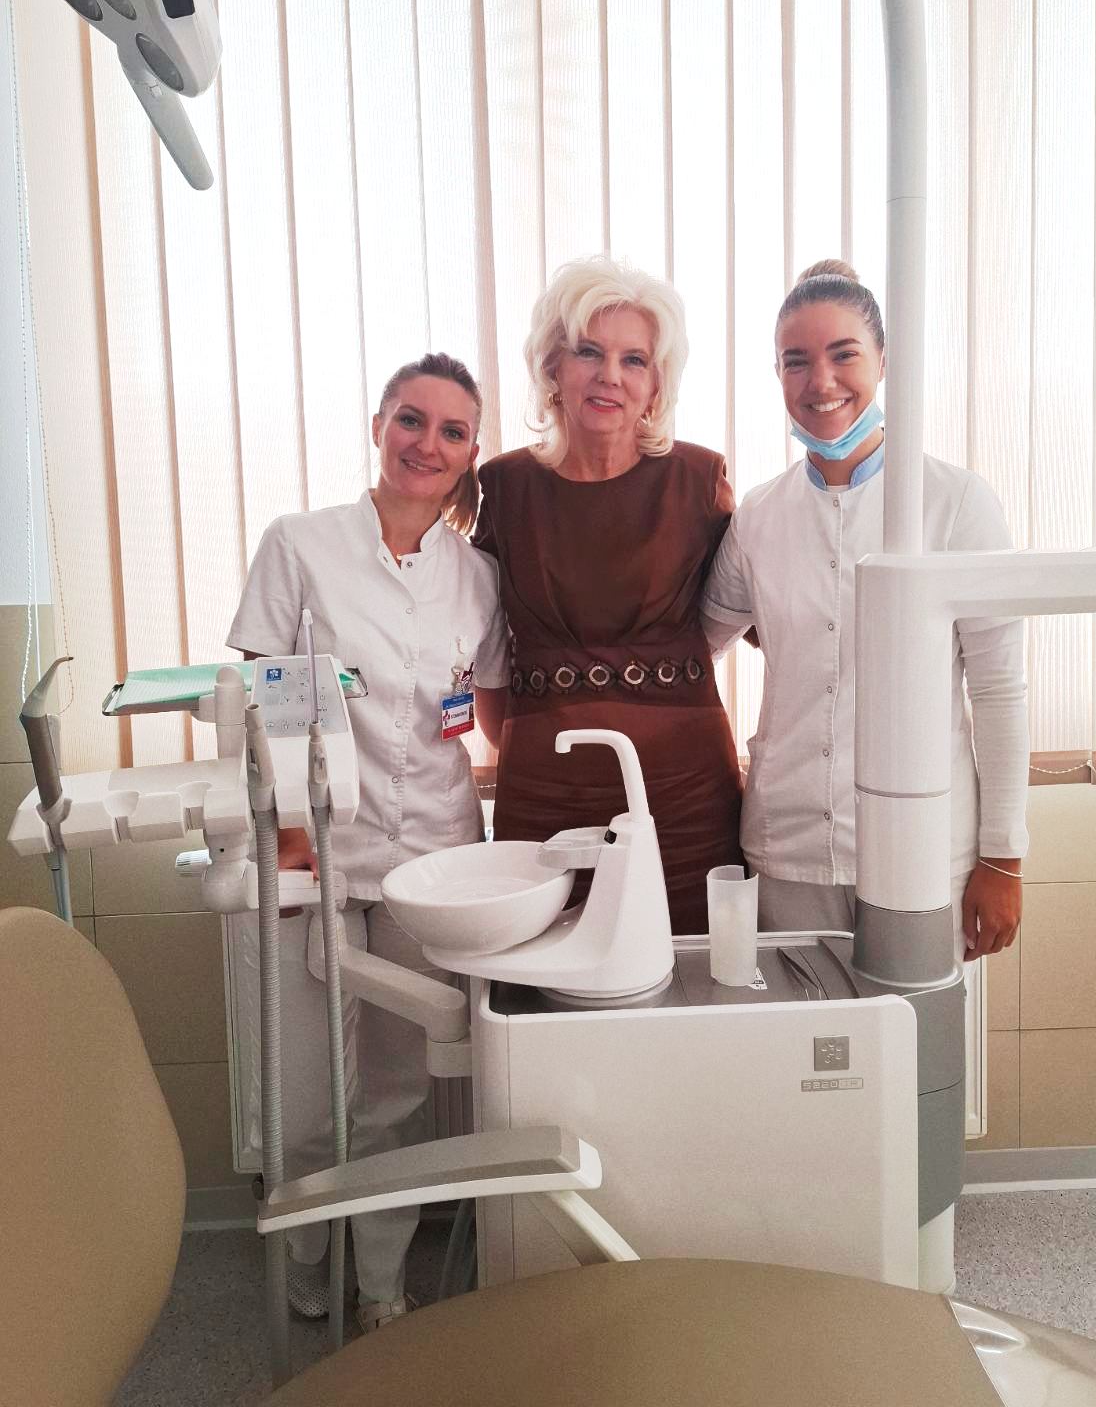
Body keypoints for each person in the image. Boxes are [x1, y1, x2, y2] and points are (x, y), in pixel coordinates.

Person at [227, 352, 510, 1333]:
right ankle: (309, 1262)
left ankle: (381, 1281)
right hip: (312, 851)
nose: (427, 443)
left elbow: (482, 714)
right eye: (410, 419)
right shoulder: (300, 546)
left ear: (470, 453)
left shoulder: (478, 578)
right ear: (379, 425)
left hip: (430, 854)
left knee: (394, 1090)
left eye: (452, 430)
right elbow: (256, 705)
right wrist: (291, 843)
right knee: (307, 1093)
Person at [701, 260, 1028, 959]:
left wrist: (1003, 857)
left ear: (883, 360)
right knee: (797, 1028)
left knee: (915, 1028)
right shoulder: (758, 516)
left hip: (925, 849)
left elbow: (999, 689)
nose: (820, 381)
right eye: (796, 362)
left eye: (843, 354)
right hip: (786, 849)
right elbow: (694, 647)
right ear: (778, 375)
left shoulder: (955, 503)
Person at [473, 256, 742, 933]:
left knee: (689, 969)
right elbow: (478, 644)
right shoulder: (503, 488)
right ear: (552, 367)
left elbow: (769, 614)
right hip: (542, 790)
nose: (610, 376)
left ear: (656, 385)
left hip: (684, 796)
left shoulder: (698, 479)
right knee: (535, 971)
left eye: (634, 360)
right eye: (588, 352)